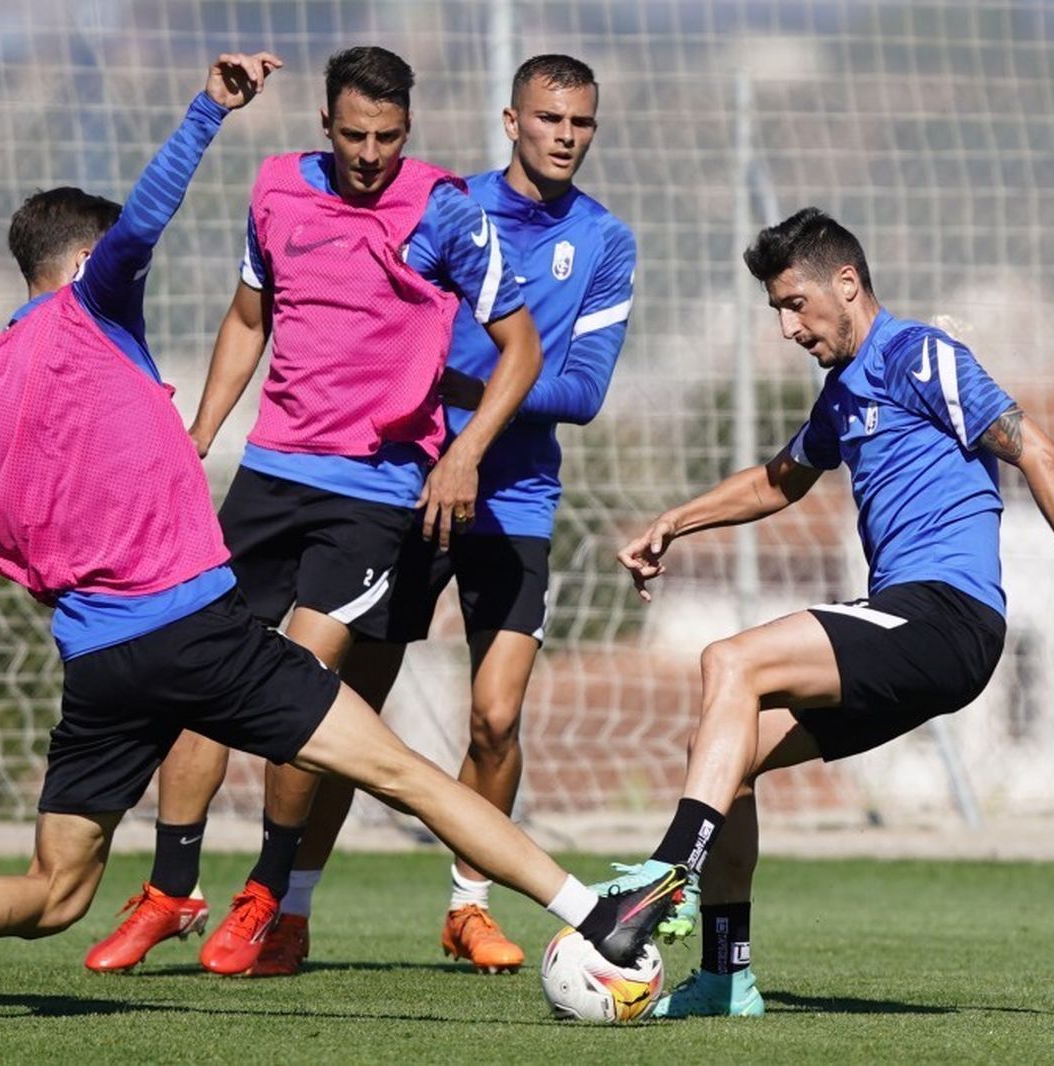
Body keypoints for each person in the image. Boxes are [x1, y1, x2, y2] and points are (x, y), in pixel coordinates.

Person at [0, 52, 668, 1019]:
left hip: (96, 663)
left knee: (55, 890)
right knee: (405, 772)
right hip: (201, 631)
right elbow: (150, 215)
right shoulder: (102, 303)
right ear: (90, 267)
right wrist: (206, 112)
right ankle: (597, 911)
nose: (370, 154)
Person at [606, 207, 1054, 1019]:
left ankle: (667, 874)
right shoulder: (842, 393)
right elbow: (779, 481)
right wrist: (674, 521)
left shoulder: (919, 355)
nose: (789, 328)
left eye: (795, 304)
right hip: (905, 624)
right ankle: (727, 975)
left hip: (948, 617)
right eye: (777, 311)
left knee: (729, 660)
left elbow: (1041, 452)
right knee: (720, 752)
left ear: (847, 283)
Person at [83, 45, 547, 978]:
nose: (370, 155)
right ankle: (172, 889)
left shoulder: (444, 210)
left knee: (294, 682)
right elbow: (247, 319)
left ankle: (266, 892)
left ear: (407, 131)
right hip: (270, 474)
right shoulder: (276, 190)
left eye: (387, 137)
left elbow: (522, 348)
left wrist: (463, 453)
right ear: (324, 126)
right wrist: (200, 431)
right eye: (354, 136)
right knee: (199, 670)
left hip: (374, 493)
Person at [253, 53, 637, 978]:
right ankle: (288, 907)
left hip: (518, 502)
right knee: (345, 712)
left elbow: (583, 393)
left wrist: (467, 392)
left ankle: (469, 906)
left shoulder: (606, 240)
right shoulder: (443, 205)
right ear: (511, 121)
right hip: (408, 490)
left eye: (580, 122)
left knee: (496, 718)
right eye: (549, 118)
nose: (565, 136)